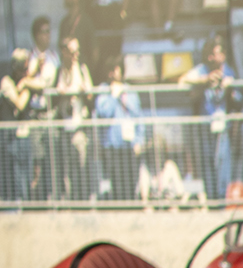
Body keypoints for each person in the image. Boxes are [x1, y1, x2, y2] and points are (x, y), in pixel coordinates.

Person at [180, 36, 237, 204]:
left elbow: (240, 95)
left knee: (223, 163)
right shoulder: (202, 70)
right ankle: (211, 199)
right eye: (210, 55)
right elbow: (181, 81)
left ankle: (221, 200)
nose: (212, 58)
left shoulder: (229, 71)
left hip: (223, 126)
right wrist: (205, 80)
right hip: (206, 125)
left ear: (224, 55)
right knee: (207, 162)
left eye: (216, 54)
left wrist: (230, 87)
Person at [49, 34, 91, 202]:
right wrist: (59, 92)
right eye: (73, 51)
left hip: (78, 126)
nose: (76, 55)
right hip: (63, 127)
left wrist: (83, 90)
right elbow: (51, 97)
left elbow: (90, 94)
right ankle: (68, 201)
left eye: (78, 51)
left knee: (81, 166)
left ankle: (82, 200)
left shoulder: (82, 68)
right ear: (64, 52)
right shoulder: (58, 71)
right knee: (65, 168)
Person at [93, 62, 143, 202]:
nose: (112, 74)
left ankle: (131, 205)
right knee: (116, 179)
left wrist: (139, 140)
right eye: (110, 70)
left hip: (129, 143)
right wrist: (113, 96)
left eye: (115, 70)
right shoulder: (103, 90)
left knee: (131, 178)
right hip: (112, 144)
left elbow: (138, 115)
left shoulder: (130, 90)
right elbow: (104, 112)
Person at [1, 50, 41, 204]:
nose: (25, 72)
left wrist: (26, 82)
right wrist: (26, 87)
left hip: (25, 136)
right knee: (15, 176)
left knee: (28, 174)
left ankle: (27, 205)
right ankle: (17, 206)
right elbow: (19, 103)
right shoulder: (7, 81)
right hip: (10, 138)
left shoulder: (25, 81)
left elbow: (43, 83)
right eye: (22, 69)